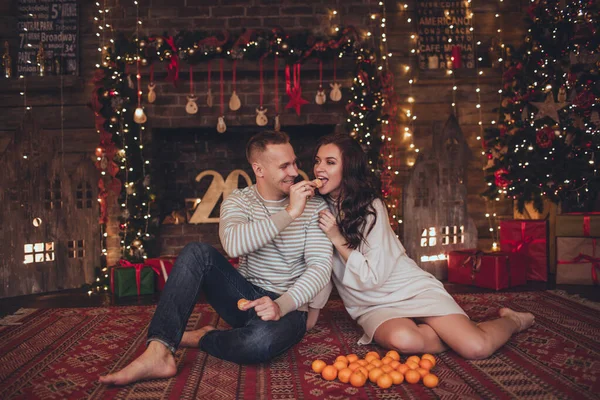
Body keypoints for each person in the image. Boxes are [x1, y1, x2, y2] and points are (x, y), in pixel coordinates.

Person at [99, 130, 332, 385]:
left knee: (258, 344)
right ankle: (159, 351)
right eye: (284, 166)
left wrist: (281, 305)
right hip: (244, 298)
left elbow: (320, 268)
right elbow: (233, 245)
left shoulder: (315, 206)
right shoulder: (239, 201)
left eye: (295, 162)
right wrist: (289, 212)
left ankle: (203, 338)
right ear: (259, 169)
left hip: (287, 306)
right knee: (196, 252)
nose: (295, 172)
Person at [311, 133, 535, 360]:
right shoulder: (315, 209)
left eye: (330, 162)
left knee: (476, 348)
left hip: (407, 287)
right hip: (370, 304)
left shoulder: (371, 207)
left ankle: (512, 320)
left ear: (349, 169)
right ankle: (456, 333)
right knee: (404, 340)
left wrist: (336, 237)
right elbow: (318, 264)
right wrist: (311, 312)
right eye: (317, 161)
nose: (319, 168)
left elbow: (372, 278)